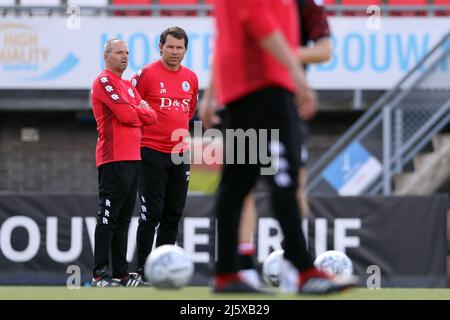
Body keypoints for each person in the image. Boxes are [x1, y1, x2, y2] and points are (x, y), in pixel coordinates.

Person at [201, 0, 354, 294]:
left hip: (241, 93)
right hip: (266, 89)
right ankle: (304, 270)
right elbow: (258, 20)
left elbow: (224, 38)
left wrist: (212, 94)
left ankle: (227, 274)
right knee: (283, 179)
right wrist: (296, 72)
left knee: (236, 185)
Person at [234, 0, 333, 287]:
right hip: (247, 101)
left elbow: (325, 50)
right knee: (244, 187)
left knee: (295, 186)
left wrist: (281, 54)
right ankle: (244, 264)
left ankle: (293, 260)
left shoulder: (307, 6)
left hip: (288, 103)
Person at [131, 26, 199, 279]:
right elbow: (130, 107)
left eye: (179, 48)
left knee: (173, 214)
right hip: (150, 151)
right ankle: (142, 270)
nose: (174, 52)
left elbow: (189, 111)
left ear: (185, 50)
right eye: (170, 46)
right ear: (160, 47)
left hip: (180, 153)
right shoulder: (146, 74)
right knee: (152, 213)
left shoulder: (190, 78)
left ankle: (163, 271)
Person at [90, 39, 157, 287]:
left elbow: (152, 116)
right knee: (108, 216)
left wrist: (137, 109)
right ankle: (99, 274)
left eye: (127, 52)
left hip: (133, 158)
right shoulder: (104, 81)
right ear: (107, 56)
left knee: (125, 220)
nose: (125, 56)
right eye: (119, 52)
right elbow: (127, 115)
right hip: (113, 157)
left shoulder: (128, 86)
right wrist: (138, 109)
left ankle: (120, 274)